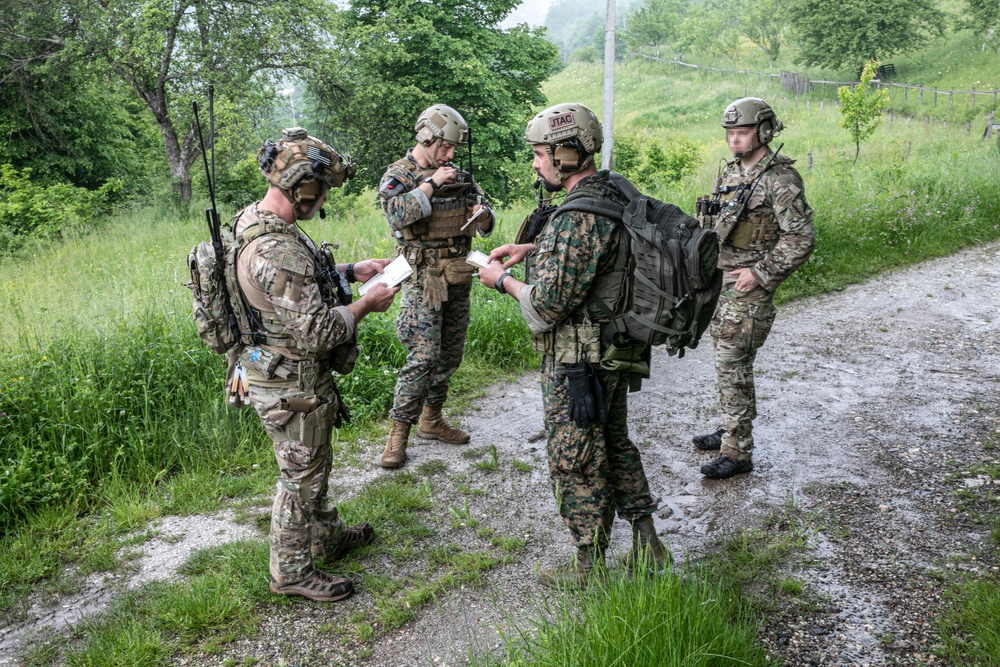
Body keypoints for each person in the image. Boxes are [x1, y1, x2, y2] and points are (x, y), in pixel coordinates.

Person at [478, 103, 666, 587]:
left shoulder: (574, 216)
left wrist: (503, 281)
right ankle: (649, 544)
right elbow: (596, 256)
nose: (536, 163)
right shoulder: (610, 190)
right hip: (613, 346)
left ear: (566, 153)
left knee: (574, 454)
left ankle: (588, 564)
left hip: (579, 359)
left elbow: (544, 308)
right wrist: (533, 249)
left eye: (541, 154)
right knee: (613, 441)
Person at [235, 127, 399, 601]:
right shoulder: (277, 248)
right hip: (289, 378)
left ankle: (327, 537)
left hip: (275, 368)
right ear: (303, 188)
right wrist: (366, 304)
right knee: (300, 476)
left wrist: (350, 272)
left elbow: (290, 294)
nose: (324, 197)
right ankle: (290, 572)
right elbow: (319, 330)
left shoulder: (256, 221)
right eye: (322, 189)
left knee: (313, 462)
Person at [692, 97, 815, 479]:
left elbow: (801, 238)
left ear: (762, 132)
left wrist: (761, 274)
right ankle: (732, 427)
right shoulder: (730, 173)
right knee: (724, 361)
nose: (733, 139)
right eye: (730, 133)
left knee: (734, 363)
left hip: (748, 286)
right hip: (721, 281)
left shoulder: (779, 178)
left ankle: (738, 451)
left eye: (741, 132)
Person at [377, 104, 495, 469]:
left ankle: (432, 420)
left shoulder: (457, 173)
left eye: (454, 148)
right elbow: (396, 214)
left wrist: (484, 216)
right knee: (423, 358)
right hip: (422, 278)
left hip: (458, 274)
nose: (451, 154)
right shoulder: (400, 175)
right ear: (427, 137)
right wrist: (431, 184)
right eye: (446, 146)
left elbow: (486, 214)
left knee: (449, 355)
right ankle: (398, 434)